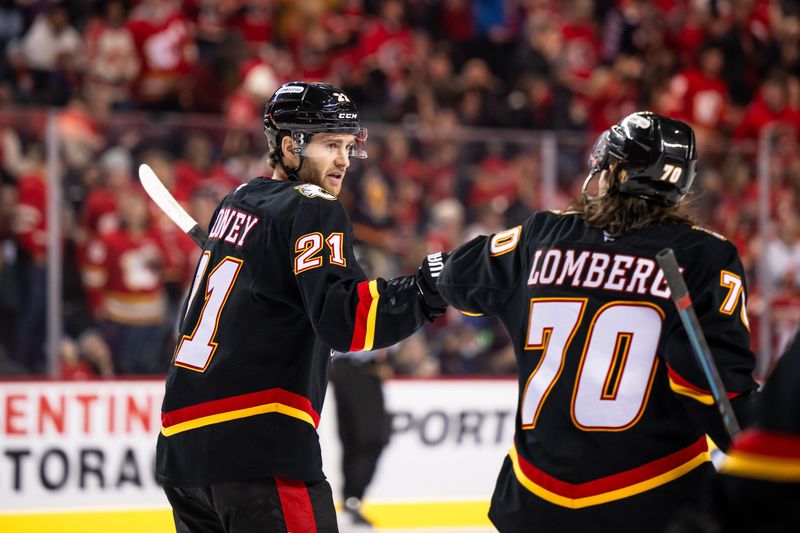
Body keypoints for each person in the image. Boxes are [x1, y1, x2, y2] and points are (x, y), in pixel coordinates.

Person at [437, 111, 759, 533]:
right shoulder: (704, 256)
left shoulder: (543, 234)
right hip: (654, 503)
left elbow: (455, 279)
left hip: (533, 504)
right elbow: (715, 389)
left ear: (615, 171)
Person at [155, 81, 447, 533]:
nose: (344, 160)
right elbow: (345, 321)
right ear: (290, 146)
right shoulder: (312, 209)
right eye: (331, 145)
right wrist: (425, 291)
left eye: (348, 146)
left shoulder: (237, 201)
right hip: (259, 447)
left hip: (182, 452)